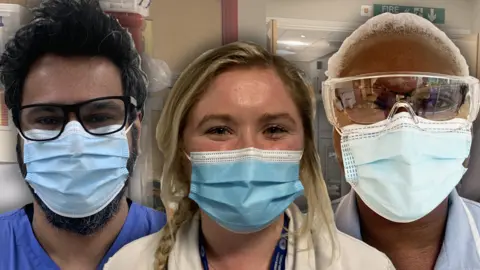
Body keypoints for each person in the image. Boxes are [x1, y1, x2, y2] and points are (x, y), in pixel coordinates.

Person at [104, 42, 395, 270]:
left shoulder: (365, 266)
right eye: (219, 130)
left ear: (304, 148)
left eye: (274, 129)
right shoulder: (129, 265)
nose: (248, 151)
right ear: (181, 149)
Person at [0, 0, 167, 269]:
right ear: (19, 135)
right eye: (47, 119)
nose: (75, 142)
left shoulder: (184, 250)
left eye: (99, 117)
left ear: (135, 129)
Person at [327, 12, 480, 270]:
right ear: (336, 129)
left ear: (468, 124)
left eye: (435, 102)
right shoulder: (285, 251)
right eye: (371, 101)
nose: (403, 129)